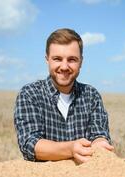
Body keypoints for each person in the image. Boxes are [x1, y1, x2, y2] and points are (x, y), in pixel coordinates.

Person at [14, 28, 114, 164]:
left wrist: (100, 143)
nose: (64, 66)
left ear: (81, 62)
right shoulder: (30, 94)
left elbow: (99, 134)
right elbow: (31, 144)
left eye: (72, 59)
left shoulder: (91, 95)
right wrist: (72, 148)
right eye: (57, 59)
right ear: (47, 60)